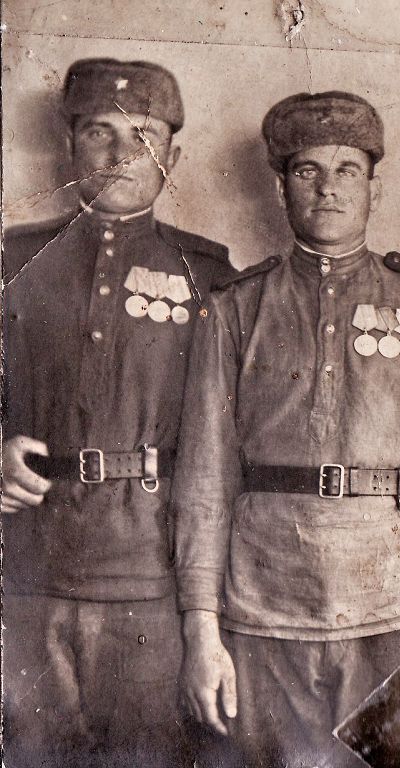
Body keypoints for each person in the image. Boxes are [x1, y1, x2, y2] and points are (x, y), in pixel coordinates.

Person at [172, 91, 400, 767]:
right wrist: (202, 630)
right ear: (281, 188)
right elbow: (203, 476)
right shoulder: (236, 306)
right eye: (307, 171)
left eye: (347, 169)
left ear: (374, 189)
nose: (328, 188)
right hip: (264, 606)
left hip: (398, 605)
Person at [2, 57, 235, 768]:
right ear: (70, 145)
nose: (120, 152)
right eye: (99, 131)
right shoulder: (14, 260)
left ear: (173, 157)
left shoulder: (208, 274)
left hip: (151, 575)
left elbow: (229, 439)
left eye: (144, 134)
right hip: (28, 568)